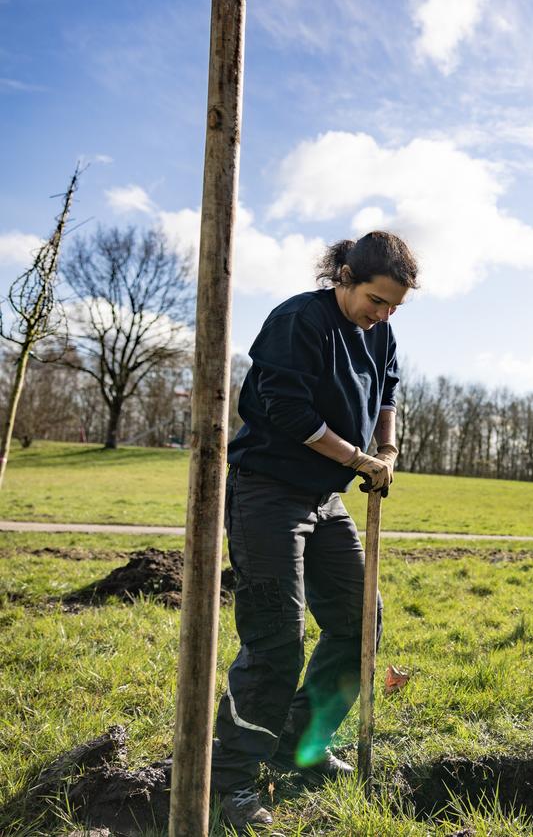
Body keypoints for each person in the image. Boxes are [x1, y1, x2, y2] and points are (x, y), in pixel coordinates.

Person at [211, 231, 417, 831]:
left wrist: (388, 449)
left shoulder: (379, 330)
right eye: (376, 301)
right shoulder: (299, 321)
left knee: (360, 623)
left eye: (393, 307)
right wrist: (357, 459)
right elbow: (286, 409)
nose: (381, 315)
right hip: (268, 493)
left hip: (325, 500)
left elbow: (388, 391)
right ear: (345, 276)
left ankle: (299, 744)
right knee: (277, 639)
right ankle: (230, 782)